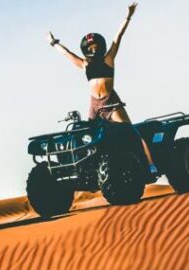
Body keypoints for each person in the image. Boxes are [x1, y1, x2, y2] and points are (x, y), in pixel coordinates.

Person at [47, 2, 156, 174]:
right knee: (86, 136)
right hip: (94, 105)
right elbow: (67, 54)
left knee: (132, 132)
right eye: (90, 47)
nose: (93, 49)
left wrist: (128, 16)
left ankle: (150, 165)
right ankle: (88, 168)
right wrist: (54, 42)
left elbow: (118, 37)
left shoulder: (109, 59)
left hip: (110, 102)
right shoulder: (85, 65)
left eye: (96, 46)